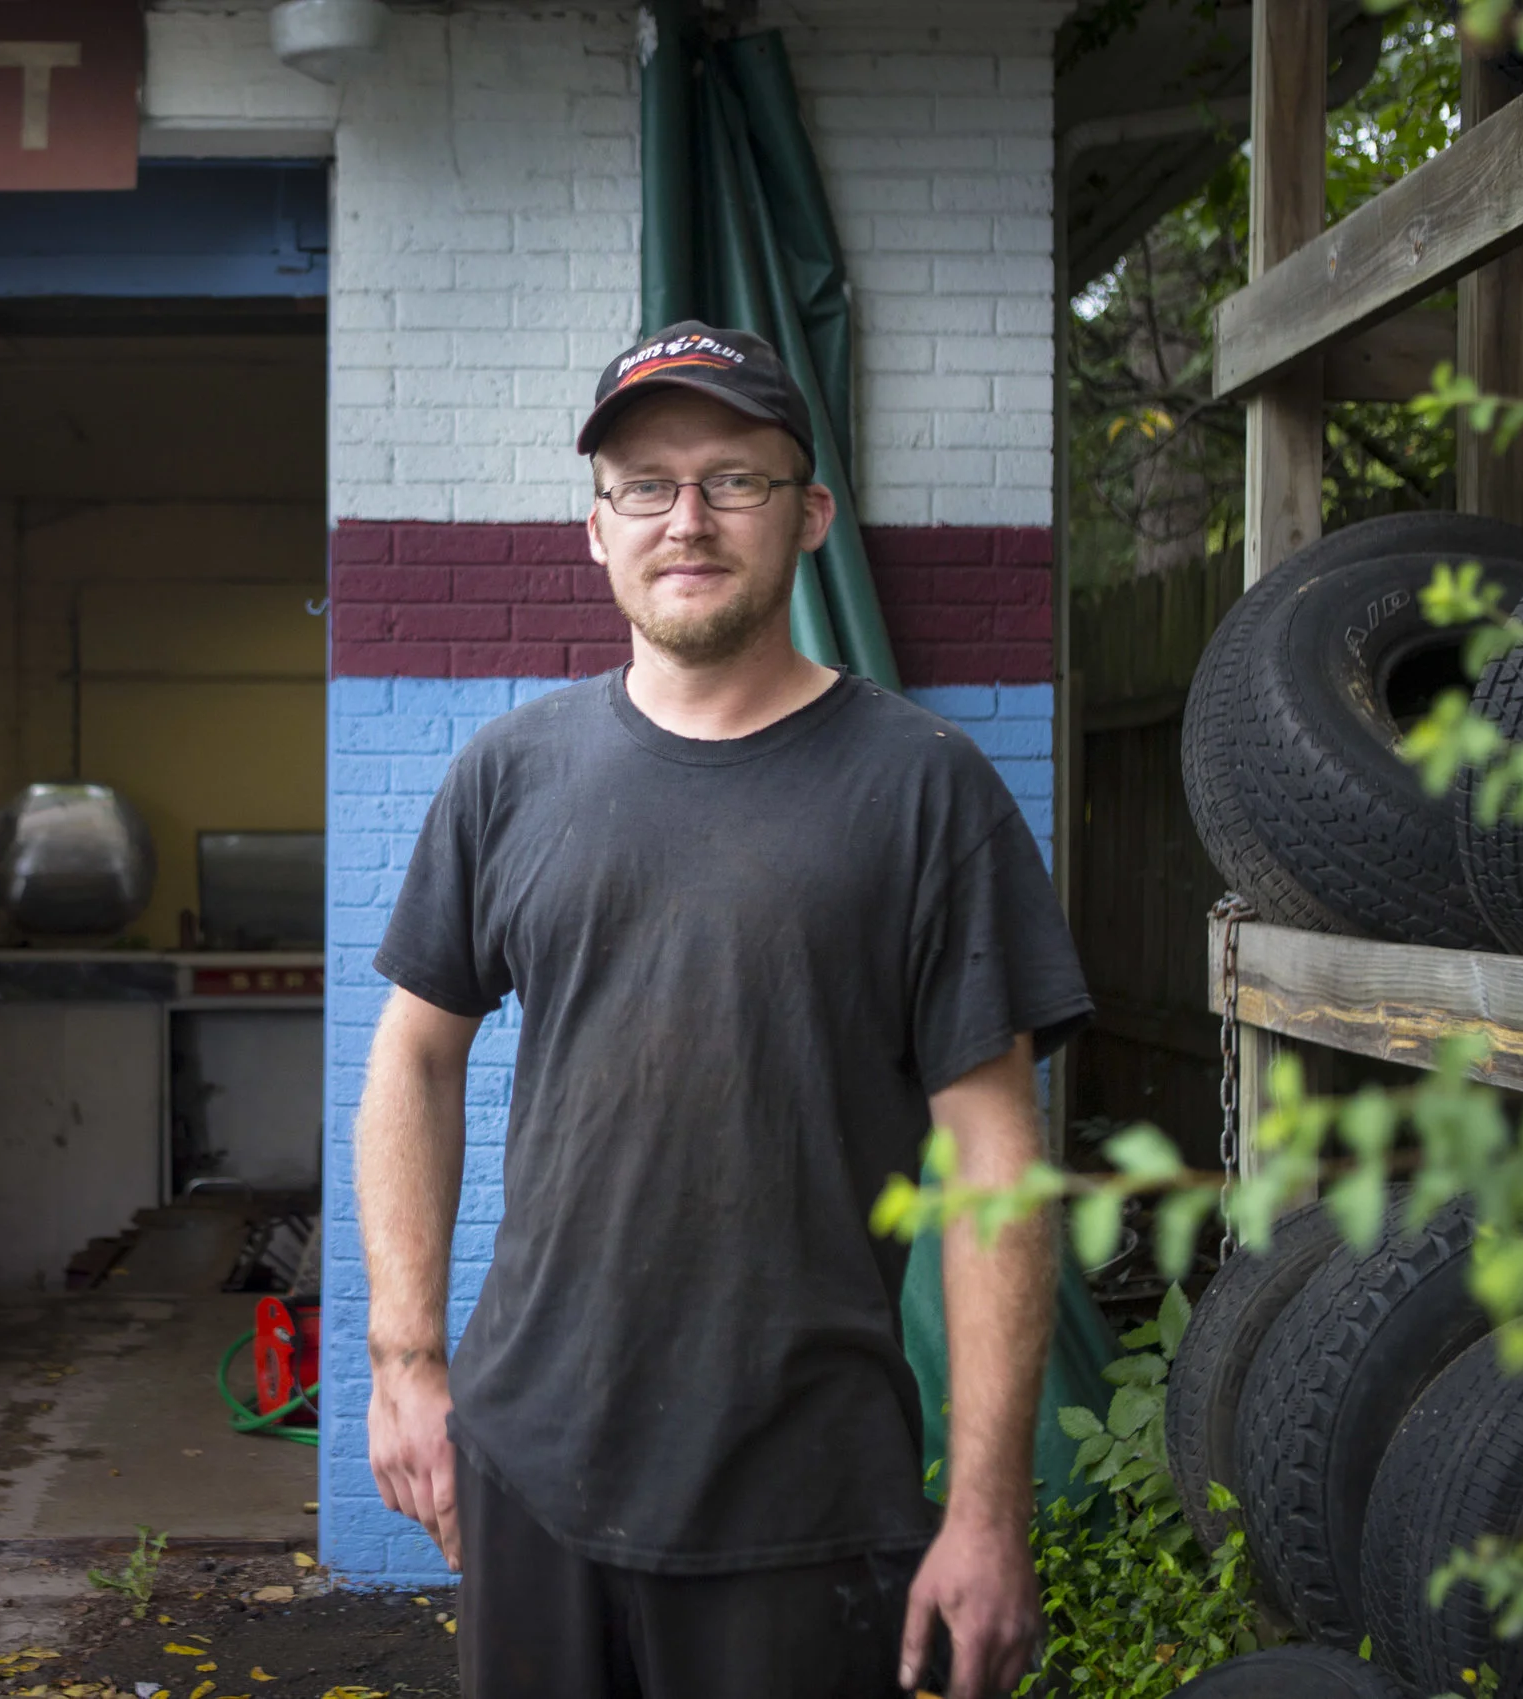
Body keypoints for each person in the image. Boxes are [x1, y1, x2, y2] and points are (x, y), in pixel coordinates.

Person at [355, 321, 1092, 1699]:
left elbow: (999, 1158)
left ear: (810, 514)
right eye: (646, 483)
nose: (686, 518)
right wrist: (405, 1357)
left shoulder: (925, 788)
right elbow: (413, 1055)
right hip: (533, 1471)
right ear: (597, 528)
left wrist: (989, 1514)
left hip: (805, 1494)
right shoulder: (509, 775)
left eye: (734, 479)